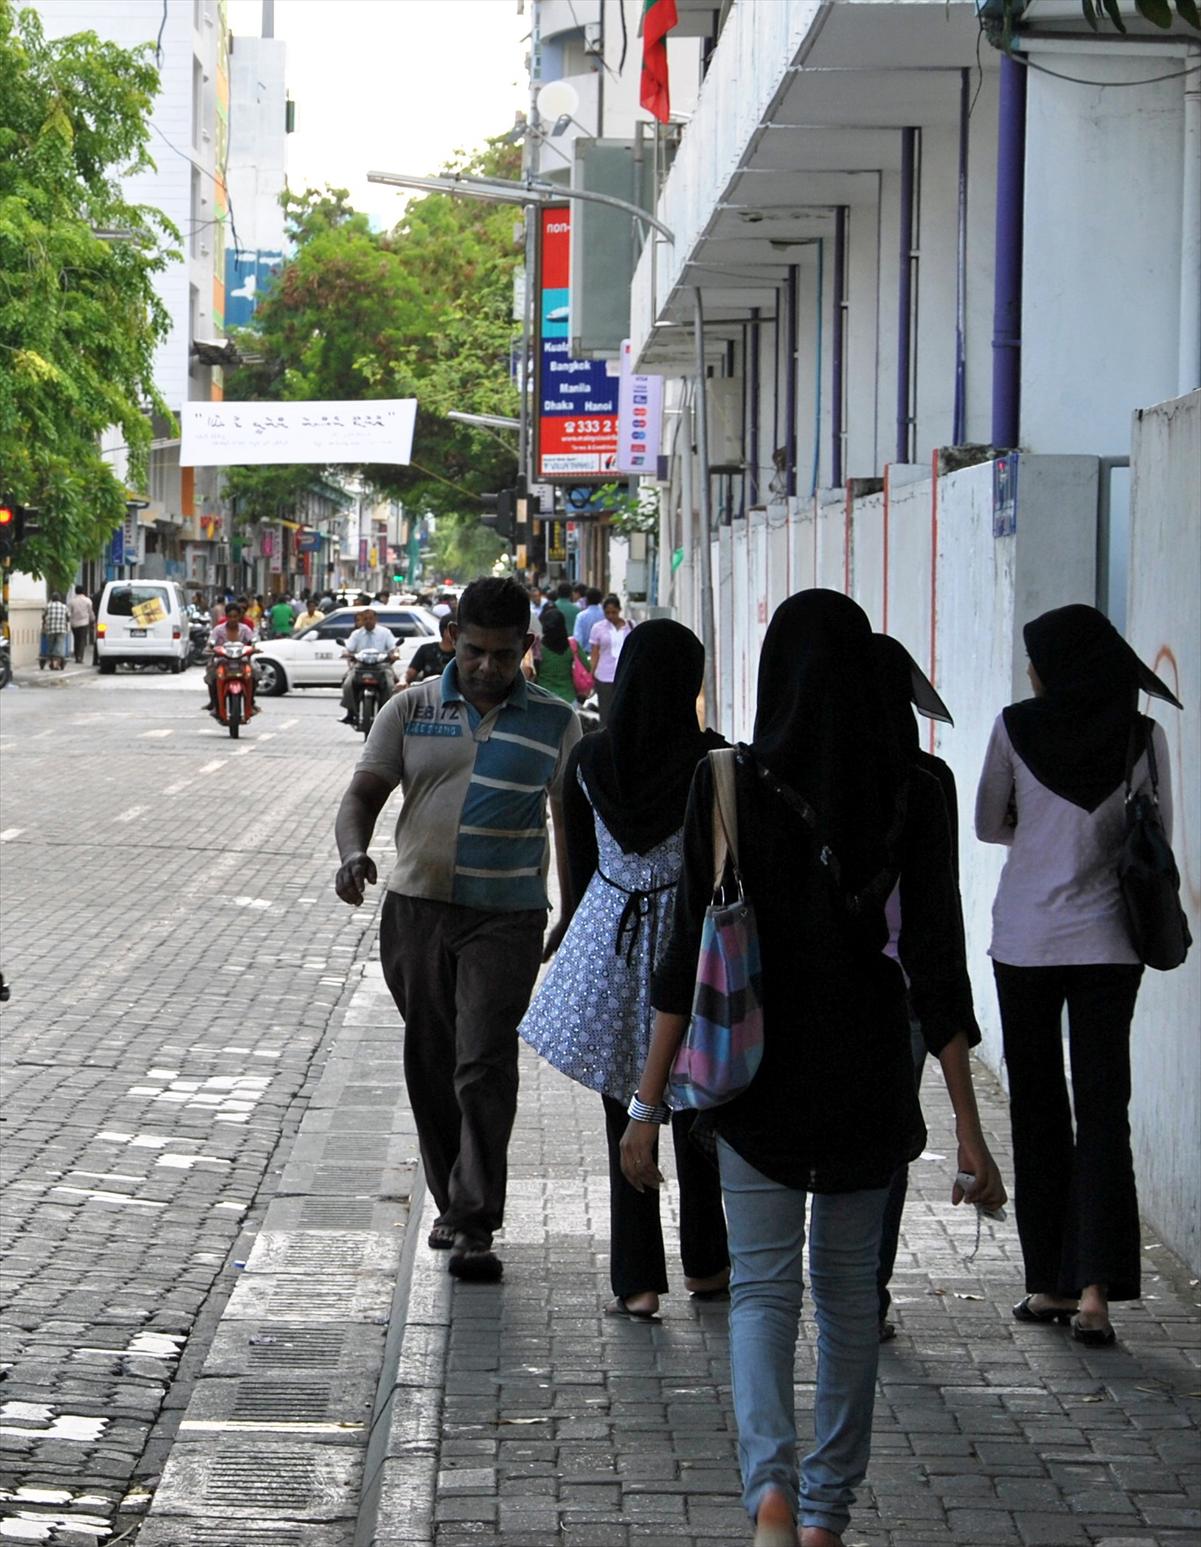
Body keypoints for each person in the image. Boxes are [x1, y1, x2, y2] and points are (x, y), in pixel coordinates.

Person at [622, 590, 1005, 1547]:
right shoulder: (921, 788)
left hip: (755, 1081)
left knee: (759, 1291)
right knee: (845, 1300)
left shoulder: (725, 782)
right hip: (871, 1081)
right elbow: (937, 968)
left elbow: (682, 959)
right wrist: (967, 1127)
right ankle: (829, 1514)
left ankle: (772, 1502)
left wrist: (645, 1101)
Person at [333, 577, 582, 1283]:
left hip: (506, 918)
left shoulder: (557, 721)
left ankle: (475, 1220)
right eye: (474, 651)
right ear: (452, 640)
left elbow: (569, 819)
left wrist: (574, 908)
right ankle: (451, 1200)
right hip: (416, 910)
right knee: (433, 1060)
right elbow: (362, 795)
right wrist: (354, 853)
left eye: (502, 656)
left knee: (481, 1060)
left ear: (526, 649)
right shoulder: (410, 709)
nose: (486, 668)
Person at [975, 603, 1181, 1350]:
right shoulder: (1140, 735)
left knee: (1036, 1109)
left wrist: (1038, 838)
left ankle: (1049, 1283)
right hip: (1107, 948)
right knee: (1102, 1110)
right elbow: (1154, 835)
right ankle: (1095, 1292)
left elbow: (987, 824)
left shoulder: (1013, 726)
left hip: (1025, 943)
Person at [520, 620, 730, 1319]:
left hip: (611, 942)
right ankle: (708, 1263)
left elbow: (578, 874)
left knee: (623, 1106)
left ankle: (637, 1282)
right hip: (695, 946)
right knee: (699, 1103)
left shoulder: (590, 762)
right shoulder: (716, 762)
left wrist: (571, 935)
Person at [871, 632, 964, 1342]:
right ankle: (863, 1289)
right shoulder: (928, 780)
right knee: (884, 1144)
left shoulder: (785, 771)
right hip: (899, 993)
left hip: (850, 995)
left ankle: (853, 1287)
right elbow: (940, 920)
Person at [339, 608, 398, 724]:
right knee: (347, 683)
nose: (368, 621)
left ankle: (387, 713)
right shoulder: (356, 634)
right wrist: (346, 653)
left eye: (370, 618)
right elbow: (348, 648)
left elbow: (393, 647)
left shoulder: (385, 632)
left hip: (382, 665)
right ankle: (351, 712)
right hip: (360, 666)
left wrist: (394, 654)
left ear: (376, 619)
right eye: (365, 619)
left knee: (391, 685)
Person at [589, 594, 633, 725]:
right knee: (606, 712)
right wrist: (592, 672)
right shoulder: (598, 628)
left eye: (614, 612)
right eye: (607, 613)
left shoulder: (630, 625)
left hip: (625, 674)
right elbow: (595, 652)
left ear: (619, 610)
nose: (611, 616)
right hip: (604, 676)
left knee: (625, 710)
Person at [203, 603, 255, 713]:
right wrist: (210, 649)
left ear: (239, 616)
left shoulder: (245, 629)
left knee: (255, 671)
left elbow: (253, 642)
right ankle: (215, 704)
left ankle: (251, 702)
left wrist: (254, 649)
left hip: (242, 660)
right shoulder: (218, 630)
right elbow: (210, 643)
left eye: (235, 616)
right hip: (222, 660)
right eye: (230, 616)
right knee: (212, 675)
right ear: (226, 616)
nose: (233, 619)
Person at [532, 604, 577, 705]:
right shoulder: (573, 645)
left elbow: (533, 673)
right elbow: (587, 666)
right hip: (569, 699)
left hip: (544, 698)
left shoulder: (538, 647)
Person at [405, 613, 456, 685]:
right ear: (446, 631)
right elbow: (410, 674)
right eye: (456, 630)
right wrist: (402, 681)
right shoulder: (426, 649)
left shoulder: (464, 653)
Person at [41, 593, 70, 671]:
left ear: (52, 599)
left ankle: (52, 662)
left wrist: (44, 623)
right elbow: (68, 617)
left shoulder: (48, 606)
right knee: (59, 647)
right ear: (59, 599)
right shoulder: (64, 607)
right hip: (61, 629)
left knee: (51, 646)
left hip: (50, 629)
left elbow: (43, 616)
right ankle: (55, 664)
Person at [68, 586, 95, 665]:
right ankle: (80, 656)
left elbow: (69, 613)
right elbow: (90, 612)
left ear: (75, 592)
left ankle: (77, 656)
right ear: (83, 591)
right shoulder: (88, 601)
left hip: (74, 623)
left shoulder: (72, 601)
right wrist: (92, 620)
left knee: (76, 639)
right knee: (82, 640)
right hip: (84, 623)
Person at [573, 587, 604, 652]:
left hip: (586, 654)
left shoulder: (581, 616)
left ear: (587, 600)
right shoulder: (605, 615)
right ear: (600, 600)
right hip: (602, 654)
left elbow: (578, 639)